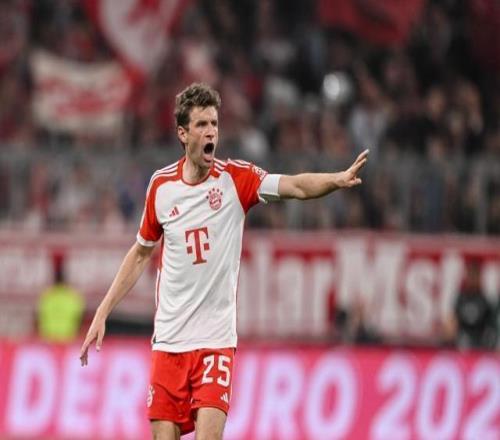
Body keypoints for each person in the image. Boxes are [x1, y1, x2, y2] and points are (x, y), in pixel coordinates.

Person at [79, 83, 369, 440]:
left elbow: (293, 186)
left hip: (215, 341)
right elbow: (141, 253)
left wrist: (335, 180)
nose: (211, 132)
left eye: (214, 123)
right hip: (169, 341)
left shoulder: (236, 180)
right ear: (183, 134)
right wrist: (103, 310)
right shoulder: (162, 187)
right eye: (201, 124)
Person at [38, 255, 84, 342]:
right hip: (68, 340)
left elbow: (39, 320)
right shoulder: (74, 298)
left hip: (49, 341)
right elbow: (80, 320)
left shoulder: (46, 297)